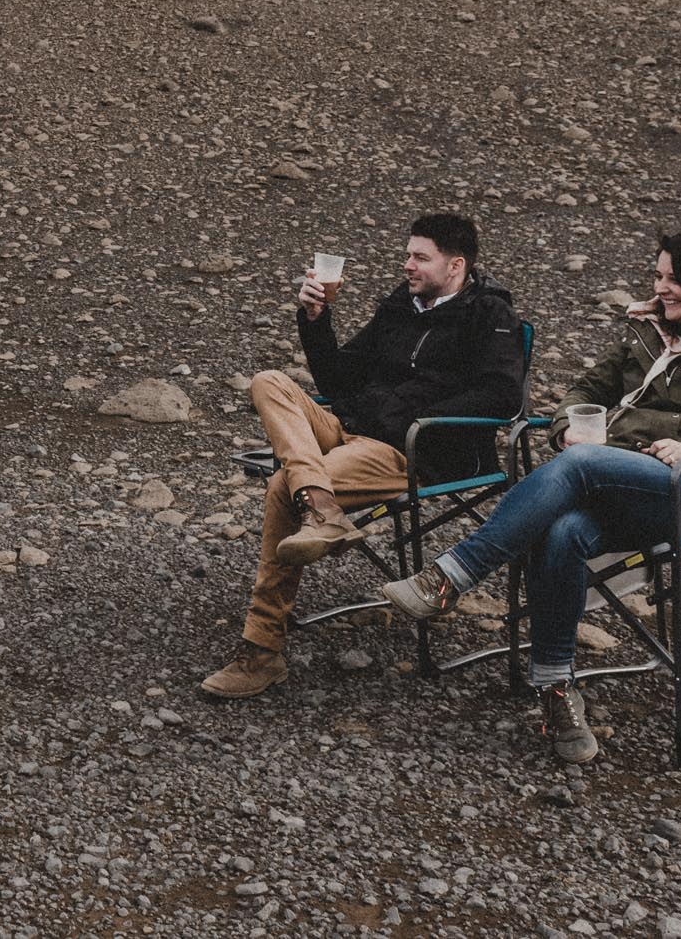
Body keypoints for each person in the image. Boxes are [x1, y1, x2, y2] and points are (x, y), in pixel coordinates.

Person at [380, 228, 681, 763]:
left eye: (674, 279)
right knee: (563, 530)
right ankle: (557, 691)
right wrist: (564, 428)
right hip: (620, 478)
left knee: (579, 466)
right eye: (658, 275)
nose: (660, 287)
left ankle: (452, 576)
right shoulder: (648, 335)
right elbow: (582, 392)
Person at [200, 212, 524, 699]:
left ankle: (262, 652)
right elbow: (337, 380)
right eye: (408, 254)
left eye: (420, 257)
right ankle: (323, 507)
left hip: (405, 449)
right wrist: (316, 319)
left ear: (455, 265)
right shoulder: (401, 307)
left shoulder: (489, 316)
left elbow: (503, 396)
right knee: (270, 381)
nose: (407, 265)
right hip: (348, 428)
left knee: (281, 487)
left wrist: (418, 417)